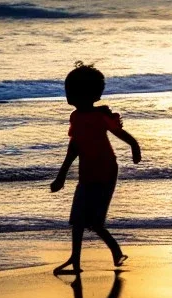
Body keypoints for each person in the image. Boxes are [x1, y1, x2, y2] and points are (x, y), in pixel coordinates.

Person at [51, 62, 141, 274]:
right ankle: (76, 260)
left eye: (72, 91)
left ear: (92, 94)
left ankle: (115, 252)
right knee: (78, 220)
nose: (68, 95)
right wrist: (61, 175)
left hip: (106, 171)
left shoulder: (101, 116)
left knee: (95, 222)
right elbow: (74, 148)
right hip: (87, 174)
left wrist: (135, 146)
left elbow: (120, 134)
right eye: (67, 90)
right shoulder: (75, 117)